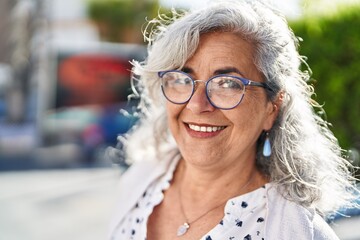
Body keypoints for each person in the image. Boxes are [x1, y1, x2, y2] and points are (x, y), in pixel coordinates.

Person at [108, 0, 358, 239]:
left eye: (227, 83)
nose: (197, 104)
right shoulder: (141, 180)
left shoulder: (298, 231)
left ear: (272, 107)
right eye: (182, 78)